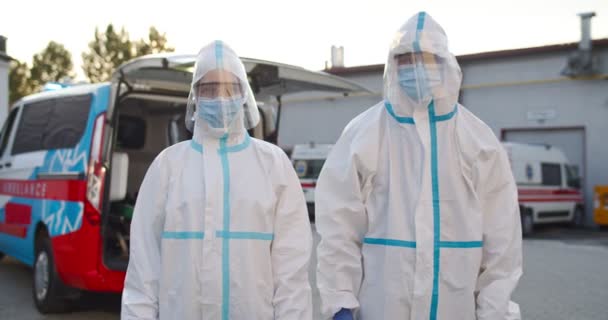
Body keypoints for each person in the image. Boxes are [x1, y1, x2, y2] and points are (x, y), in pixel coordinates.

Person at [316, 12, 522, 320]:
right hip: (382, 308)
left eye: (426, 59)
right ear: (392, 66)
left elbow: (502, 242)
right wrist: (339, 299)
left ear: (445, 64)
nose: (416, 68)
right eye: (406, 59)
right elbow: (338, 227)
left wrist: (494, 310)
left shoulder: (478, 140)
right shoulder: (365, 134)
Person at [122, 40, 313, 320]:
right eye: (208, 89)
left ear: (243, 93)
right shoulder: (168, 167)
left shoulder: (273, 166)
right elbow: (143, 270)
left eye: (229, 88)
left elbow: (291, 270)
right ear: (195, 96)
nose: (220, 98)